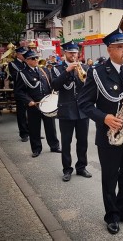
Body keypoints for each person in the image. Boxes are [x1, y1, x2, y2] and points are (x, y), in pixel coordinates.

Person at [78, 28, 123, 235]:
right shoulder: (97, 72)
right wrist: (104, 118)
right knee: (110, 177)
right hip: (110, 133)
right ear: (110, 50)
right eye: (120, 47)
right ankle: (112, 216)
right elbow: (84, 103)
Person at [51, 41, 91, 182]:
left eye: (75, 53)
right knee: (66, 142)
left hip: (82, 111)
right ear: (65, 53)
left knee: (83, 141)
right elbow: (55, 85)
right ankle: (67, 169)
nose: (73, 55)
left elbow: (88, 88)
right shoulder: (57, 68)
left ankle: (81, 167)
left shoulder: (85, 67)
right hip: (66, 110)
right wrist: (68, 71)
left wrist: (79, 71)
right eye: (70, 52)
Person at [14, 50, 61, 158]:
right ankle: (36, 149)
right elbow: (19, 91)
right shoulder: (22, 74)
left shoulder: (44, 70)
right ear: (26, 60)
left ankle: (54, 146)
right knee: (34, 128)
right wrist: (28, 101)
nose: (36, 60)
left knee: (51, 127)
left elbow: (51, 84)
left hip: (47, 104)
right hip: (33, 104)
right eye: (33, 58)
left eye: (36, 58)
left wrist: (54, 94)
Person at [9, 46, 29, 142]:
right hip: (20, 90)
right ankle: (24, 134)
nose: (25, 56)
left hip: (29, 91)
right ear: (18, 54)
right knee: (21, 114)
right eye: (23, 54)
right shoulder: (13, 64)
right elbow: (17, 76)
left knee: (32, 113)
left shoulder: (26, 63)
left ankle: (32, 132)